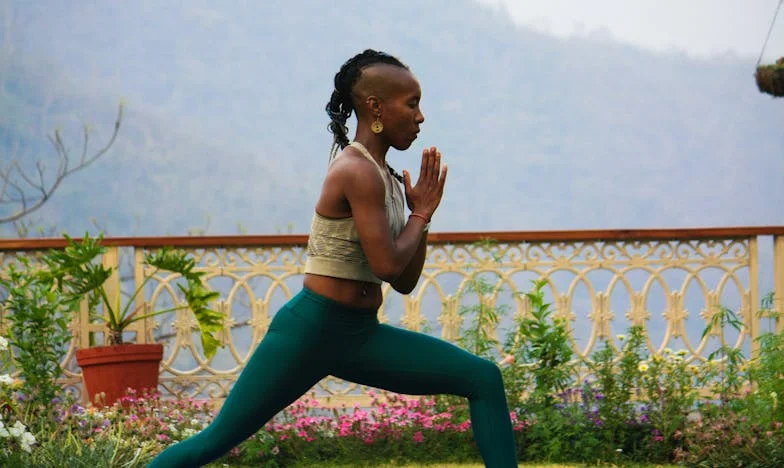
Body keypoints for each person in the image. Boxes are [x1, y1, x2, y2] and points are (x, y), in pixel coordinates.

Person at [148, 49, 518, 467]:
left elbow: (404, 280)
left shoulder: (388, 178)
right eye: (411, 104)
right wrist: (419, 216)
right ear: (376, 107)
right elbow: (387, 266)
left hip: (359, 335)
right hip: (311, 331)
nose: (420, 117)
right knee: (213, 443)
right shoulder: (356, 170)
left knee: (483, 377)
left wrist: (422, 216)